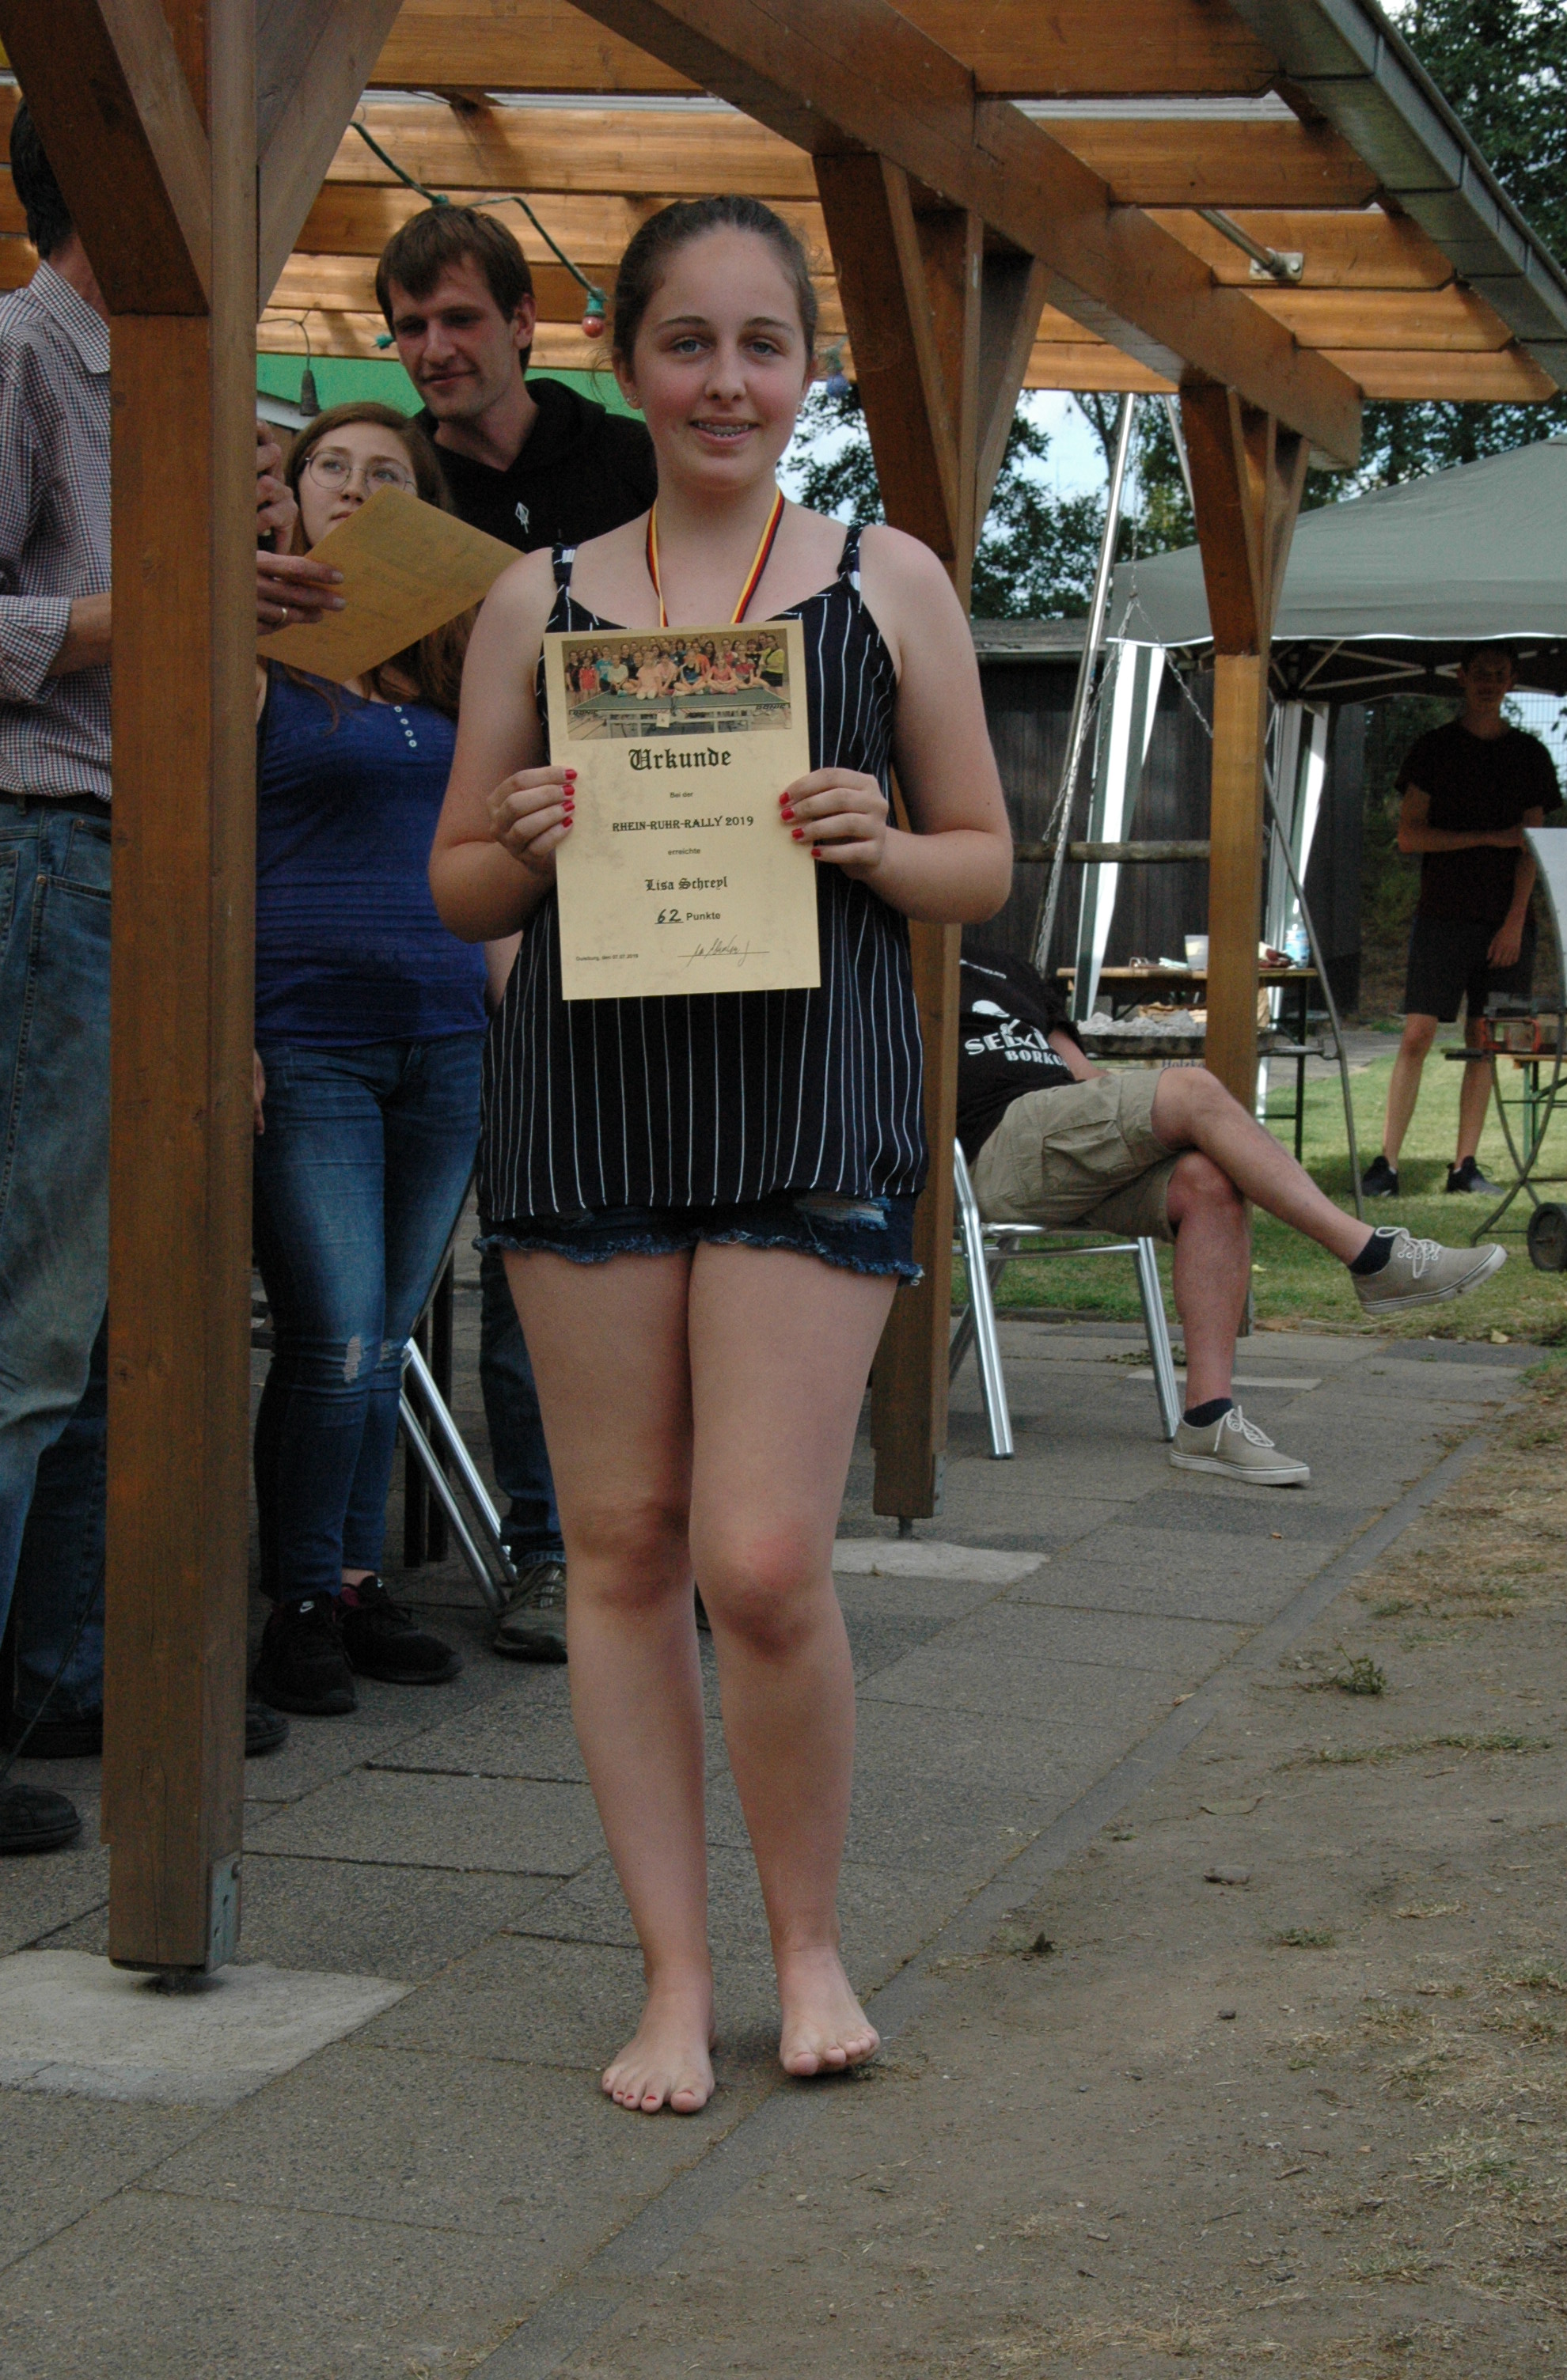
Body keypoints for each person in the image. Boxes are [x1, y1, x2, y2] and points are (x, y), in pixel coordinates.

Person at [431, 195, 1012, 2112]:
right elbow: (457, 885)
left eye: (763, 344)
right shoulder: (536, 600)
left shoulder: (886, 580)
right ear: (627, 361)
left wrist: (874, 836)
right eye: (687, 342)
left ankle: (808, 1945)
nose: (725, 381)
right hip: (588, 1101)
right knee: (619, 1546)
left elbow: (978, 861)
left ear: (809, 368)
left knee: (758, 1557)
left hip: (806, 1096)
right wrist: (523, 834)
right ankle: (672, 1979)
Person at [0, 105, 321, 1854]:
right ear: (126, 187)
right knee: (28, 1325)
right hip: (49, 853)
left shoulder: (180, 392)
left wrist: (252, 604)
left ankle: (63, 1668)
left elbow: (204, 675)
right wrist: (183, 591)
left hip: (157, 862)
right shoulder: (19, 355)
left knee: (124, 1315)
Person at [376, 203, 661, 1662]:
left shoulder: (624, 459)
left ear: (524, 323)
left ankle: (661, 1534)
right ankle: (551, 1551)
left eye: (458, 320)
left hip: (656, 880)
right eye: (410, 328)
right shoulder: (399, 490)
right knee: (531, 1240)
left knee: (659, 1231)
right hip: (475, 894)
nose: (434, 349)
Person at [249, 403, 507, 1719]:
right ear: (291, 497)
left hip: (448, 1036)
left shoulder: (453, 677)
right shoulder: (254, 658)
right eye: (332, 467)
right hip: (305, 1040)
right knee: (337, 1333)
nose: (355, 486)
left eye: (388, 473)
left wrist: (524, 1027)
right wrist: (222, 1030)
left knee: (389, 1335)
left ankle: (353, 1582)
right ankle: (297, 1597)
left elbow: (494, 859)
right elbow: (198, 846)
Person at [957, 939, 1508, 1489]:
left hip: (1059, 1133)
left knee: (1209, 1183)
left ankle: (1207, 1420)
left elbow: (1082, 1076)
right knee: (1193, 1087)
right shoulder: (909, 960)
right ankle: (1372, 1257)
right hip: (987, 1148)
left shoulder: (1006, 965)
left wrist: (1150, 1122)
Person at [1360, 643, 1561, 1199]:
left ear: (1512, 681)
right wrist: (1487, 837)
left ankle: (1464, 1166)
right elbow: (1409, 836)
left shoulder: (1530, 755)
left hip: (1507, 923)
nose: (1489, 683)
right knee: (1417, 1034)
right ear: (1462, 677)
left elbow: (1532, 846)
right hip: (1443, 916)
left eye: (1500, 674)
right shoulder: (1433, 748)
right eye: (1481, 674)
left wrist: (1515, 922)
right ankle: (1387, 1164)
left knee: (1485, 1040)